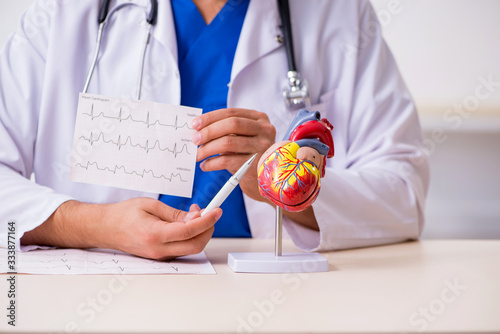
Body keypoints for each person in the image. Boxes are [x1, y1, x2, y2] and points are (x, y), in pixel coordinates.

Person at [0, 0, 429, 259]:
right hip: (104, 297)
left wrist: (287, 185)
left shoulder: (337, 13)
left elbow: (403, 193)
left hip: (287, 299)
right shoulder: (63, 13)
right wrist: (94, 225)